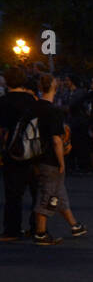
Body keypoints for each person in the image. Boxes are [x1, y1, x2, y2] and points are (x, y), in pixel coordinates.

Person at [30, 73, 85, 245]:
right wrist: (61, 162)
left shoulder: (33, 107)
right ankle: (40, 232)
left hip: (35, 154)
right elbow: (56, 140)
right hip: (50, 158)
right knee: (48, 194)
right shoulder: (53, 111)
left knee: (58, 191)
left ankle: (74, 225)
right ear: (55, 87)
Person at [0, 66, 42, 242]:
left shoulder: (3, 101)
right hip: (34, 150)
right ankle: (36, 226)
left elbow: (2, 129)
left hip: (13, 150)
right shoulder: (33, 100)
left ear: (6, 81)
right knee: (36, 191)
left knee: (13, 193)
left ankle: (12, 229)